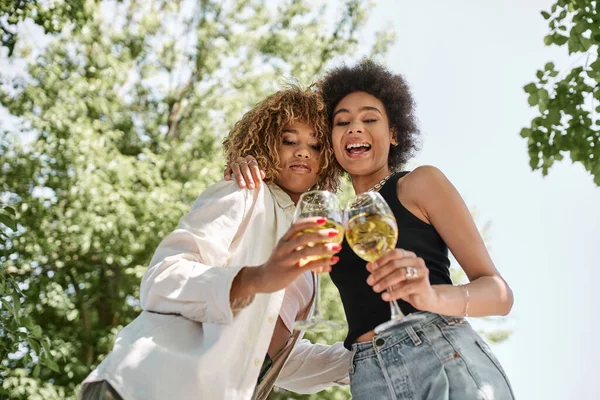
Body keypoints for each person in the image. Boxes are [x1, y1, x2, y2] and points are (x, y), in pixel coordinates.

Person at [228, 60, 515, 400]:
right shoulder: (333, 222)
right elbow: (270, 341)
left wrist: (432, 297)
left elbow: (498, 294)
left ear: (394, 134)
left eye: (369, 118)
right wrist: (249, 168)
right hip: (367, 376)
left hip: (438, 354)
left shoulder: (419, 183)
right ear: (332, 142)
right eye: (342, 122)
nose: (354, 128)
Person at [78, 86, 351, 400]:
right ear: (266, 145)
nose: (303, 152)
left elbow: (271, 354)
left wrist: (370, 357)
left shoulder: (303, 239)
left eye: (315, 145)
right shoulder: (244, 191)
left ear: (327, 158)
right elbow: (163, 279)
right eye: (289, 140)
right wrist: (256, 279)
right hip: (147, 384)